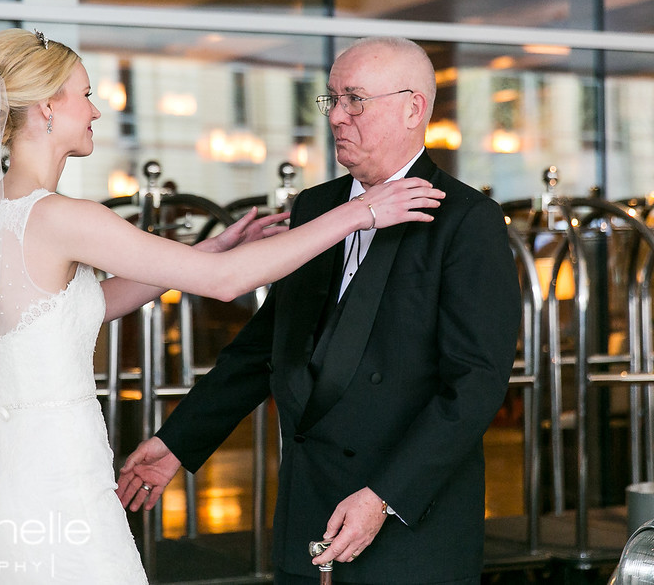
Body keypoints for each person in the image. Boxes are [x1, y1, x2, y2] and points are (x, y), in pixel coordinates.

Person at [0, 29, 443, 584]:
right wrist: (362, 211)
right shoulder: (59, 216)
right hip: (54, 472)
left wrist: (211, 241)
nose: (97, 111)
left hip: (14, 463)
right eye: (85, 95)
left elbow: (88, 304)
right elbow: (226, 282)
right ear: (47, 108)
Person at [119, 37, 521, 584]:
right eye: (331, 99)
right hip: (309, 506)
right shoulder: (317, 207)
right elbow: (267, 345)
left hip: (409, 523)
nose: (336, 117)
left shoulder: (467, 220)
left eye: (355, 99)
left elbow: (474, 385)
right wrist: (178, 441)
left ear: (413, 108)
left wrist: (383, 498)